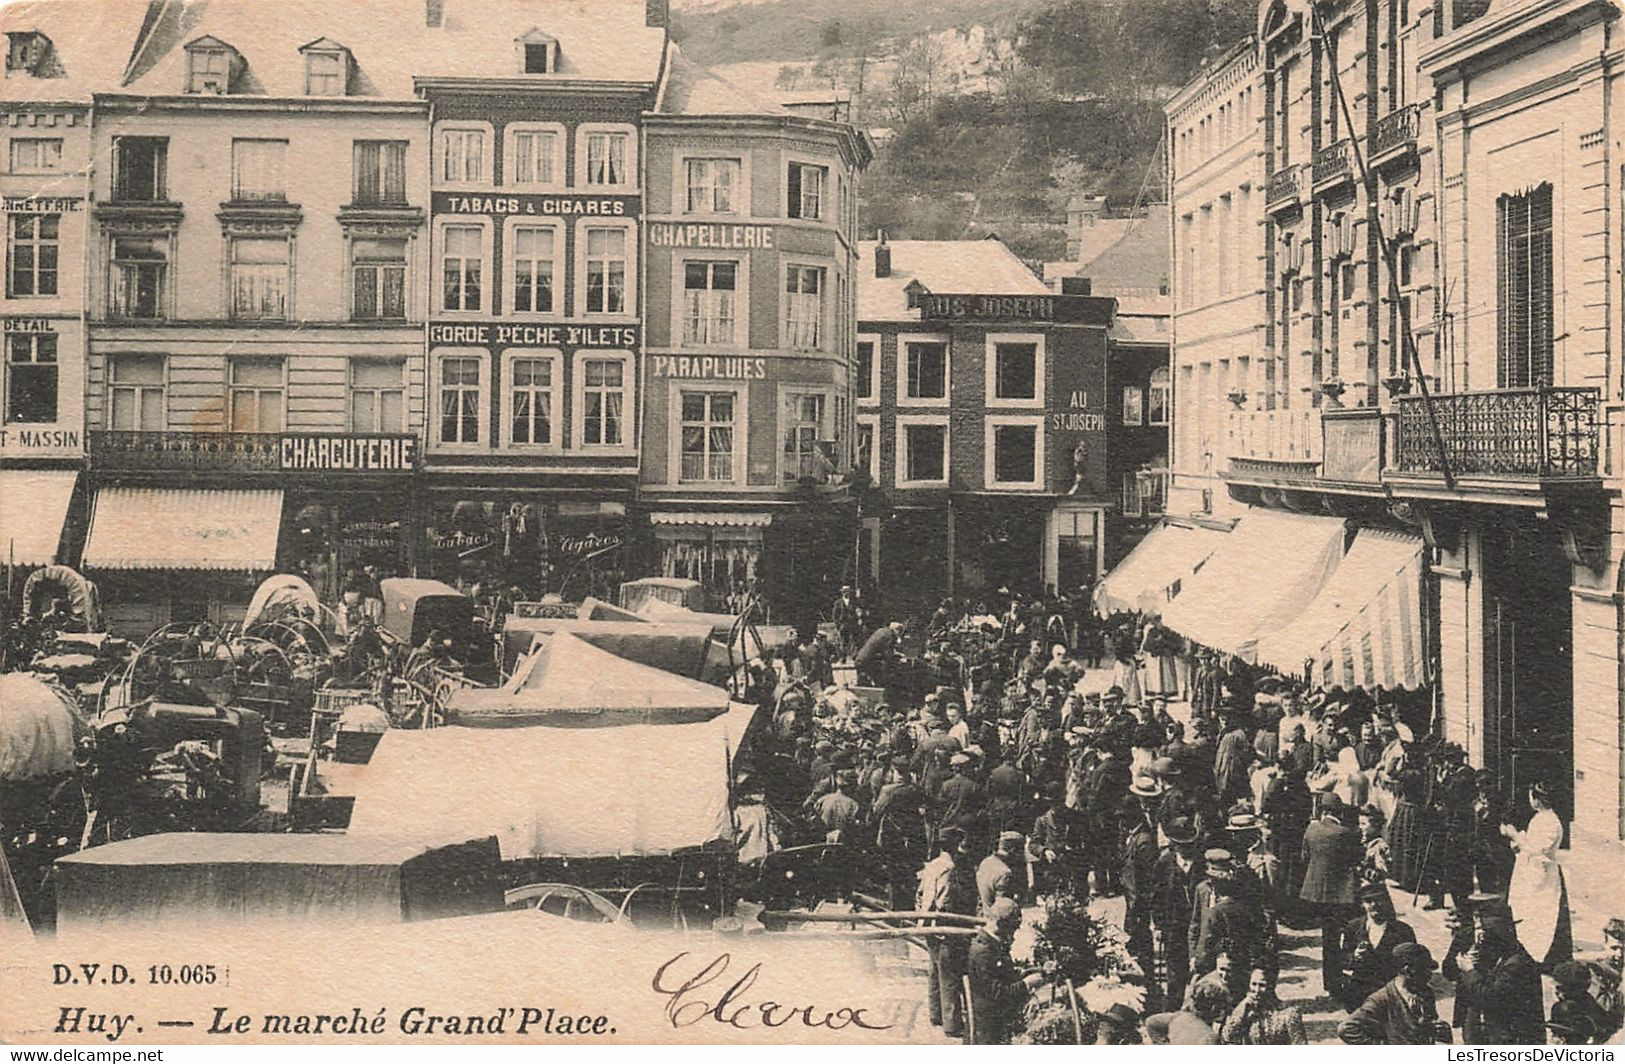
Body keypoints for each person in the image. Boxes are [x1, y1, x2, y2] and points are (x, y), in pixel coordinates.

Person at [1453, 898, 1545, 1045]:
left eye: (1486, 932)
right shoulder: (1503, 952)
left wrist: (1469, 970)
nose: (1481, 938)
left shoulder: (1516, 963)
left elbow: (1490, 996)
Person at [1503, 780, 1572, 968]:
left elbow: (1539, 848)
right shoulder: (1540, 818)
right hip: (1531, 871)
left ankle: (1542, 957)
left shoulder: (1550, 821)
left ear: (1537, 799)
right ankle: (1529, 952)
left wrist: (1514, 835)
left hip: (1541, 874)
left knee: (1542, 914)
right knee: (1529, 912)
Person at [1300, 795, 1362, 999]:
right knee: (1350, 934)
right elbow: (1356, 860)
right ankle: (1345, 976)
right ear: (1340, 813)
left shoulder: (1312, 829)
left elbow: (1304, 857)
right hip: (1342, 895)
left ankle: (1331, 982)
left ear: (1322, 811)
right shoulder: (1347, 833)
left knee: (1329, 938)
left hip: (1317, 894)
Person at [917, 826, 975, 1039]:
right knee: (950, 973)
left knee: (934, 969)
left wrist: (922, 915)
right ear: (954, 845)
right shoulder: (950, 868)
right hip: (944, 927)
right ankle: (951, 1024)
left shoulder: (932, 865)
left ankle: (936, 1014)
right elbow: (945, 899)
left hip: (928, 924)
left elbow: (920, 892)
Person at [1338, 943, 1452, 1045]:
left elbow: (1429, 1026)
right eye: (1425, 969)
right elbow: (1346, 1028)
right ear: (1407, 970)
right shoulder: (1381, 999)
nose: (1430, 974)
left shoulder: (1426, 992)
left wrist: (1441, 1031)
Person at [964, 897, 1042, 1044]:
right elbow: (999, 993)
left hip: (994, 1019)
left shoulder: (992, 944)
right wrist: (1027, 984)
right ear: (1000, 924)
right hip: (987, 1029)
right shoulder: (984, 952)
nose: (1014, 932)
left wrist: (1020, 974)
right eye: (1012, 927)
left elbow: (1002, 976)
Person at [1152, 817, 1204, 1008]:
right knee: (1175, 976)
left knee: (1200, 973)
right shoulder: (1164, 863)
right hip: (1173, 927)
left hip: (1197, 926)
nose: (1185, 849)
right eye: (1181, 845)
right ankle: (1171, 1015)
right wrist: (1158, 925)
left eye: (1189, 845)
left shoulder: (1202, 864)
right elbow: (1156, 897)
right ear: (1173, 844)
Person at [1340, 882, 1417, 1010]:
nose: (1374, 905)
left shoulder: (1403, 930)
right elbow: (1342, 959)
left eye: (1378, 900)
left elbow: (1413, 965)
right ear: (1362, 904)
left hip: (1390, 990)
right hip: (1360, 990)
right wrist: (1354, 956)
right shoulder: (1353, 927)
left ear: (1387, 902)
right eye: (1368, 901)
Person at [1221, 967, 1307, 1044]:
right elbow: (1227, 1037)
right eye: (1253, 984)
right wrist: (1242, 1009)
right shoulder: (1244, 1010)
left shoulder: (1288, 1013)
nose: (1257, 990)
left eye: (1262, 985)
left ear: (1272, 985)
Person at [1548, 960, 1618, 1045]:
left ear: (1571, 989)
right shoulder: (1588, 1000)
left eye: (1560, 988)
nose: (1556, 992)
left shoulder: (1566, 1008)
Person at [976, 831, 1024, 912]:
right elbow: (1003, 908)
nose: (1022, 854)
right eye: (1021, 850)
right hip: (996, 919)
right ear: (1013, 850)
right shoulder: (1005, 873)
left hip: (983, 915)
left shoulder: (985, 862)